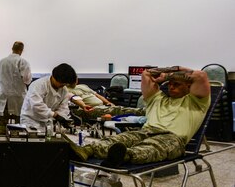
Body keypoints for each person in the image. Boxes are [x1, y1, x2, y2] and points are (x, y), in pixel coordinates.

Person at [67, 66, 211, 167]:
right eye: (170, 84)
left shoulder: (196, 102)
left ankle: (124, 156)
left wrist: (168, 75)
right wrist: (167, 76)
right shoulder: (157, 98)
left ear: (188, 87)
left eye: (177, 84)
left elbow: (200, 75)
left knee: (151, 148)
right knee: (118, 139)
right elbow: (146, 74)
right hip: (146, 131)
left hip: (173, 138)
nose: (171, 87)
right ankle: (86, 151)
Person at [20, 63, 78, 130]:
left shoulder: (64, 90)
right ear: (54, 77)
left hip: (47, 122)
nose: (63, 85)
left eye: (65, 83)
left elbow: (63, 107)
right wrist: (55, 115)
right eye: (61, 83)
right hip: (30, 120)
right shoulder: (38, 85)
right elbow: (37, 105)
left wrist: (62, 117)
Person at [0, 41, 32, 124]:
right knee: (19, 123)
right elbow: (27, 80)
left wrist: (5, 85)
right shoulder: (23, 62)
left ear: (12, 49)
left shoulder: (2, 61)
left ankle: (1, 135)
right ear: (21, 50)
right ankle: (17, 136)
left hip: (4, 96)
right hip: (18, 97)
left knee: (2, 123)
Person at [68, 80, 143, 120]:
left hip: (103, 106)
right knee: (118, 110)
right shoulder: (66, 90)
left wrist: (108, 103)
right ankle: (142, 112)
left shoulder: (83, 86)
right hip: (90, 109)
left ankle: (142, 112)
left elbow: (97, 95)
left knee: (117, 109)